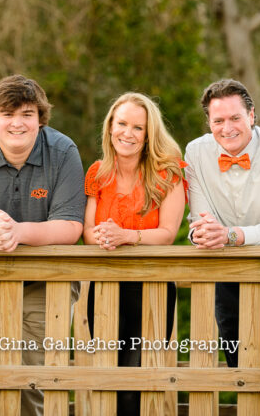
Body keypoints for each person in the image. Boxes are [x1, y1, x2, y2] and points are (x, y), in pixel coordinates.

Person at [0, 74, 86, 416]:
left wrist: (18, 231)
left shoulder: (63, 150)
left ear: (40, 119)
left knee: (37, 383)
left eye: (27, 114)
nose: (17, 123)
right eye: (8, 114)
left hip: (46, 282)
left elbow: (70, 227)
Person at [184, 79, 260, 367]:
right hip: (227, 274)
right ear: (209, 122)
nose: (227, 128)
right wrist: (203, 234)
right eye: (219, 120)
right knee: (240, 368)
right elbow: (199, 220)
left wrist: (229, 235)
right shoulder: (196, 152)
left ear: (251, 115)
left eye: (235, 118)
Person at [83, 92, 186, 415]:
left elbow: (168, 234)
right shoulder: (98, 173)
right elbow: (87, 231)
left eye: (137, 128)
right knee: (105, 380)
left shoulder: (168, 173)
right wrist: (101, 235)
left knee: (135, 386)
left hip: (151, 288)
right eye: (122, 124)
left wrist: (125, 235)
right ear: (110, 126)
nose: (127, 133)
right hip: (104, 288)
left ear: (148, 135)